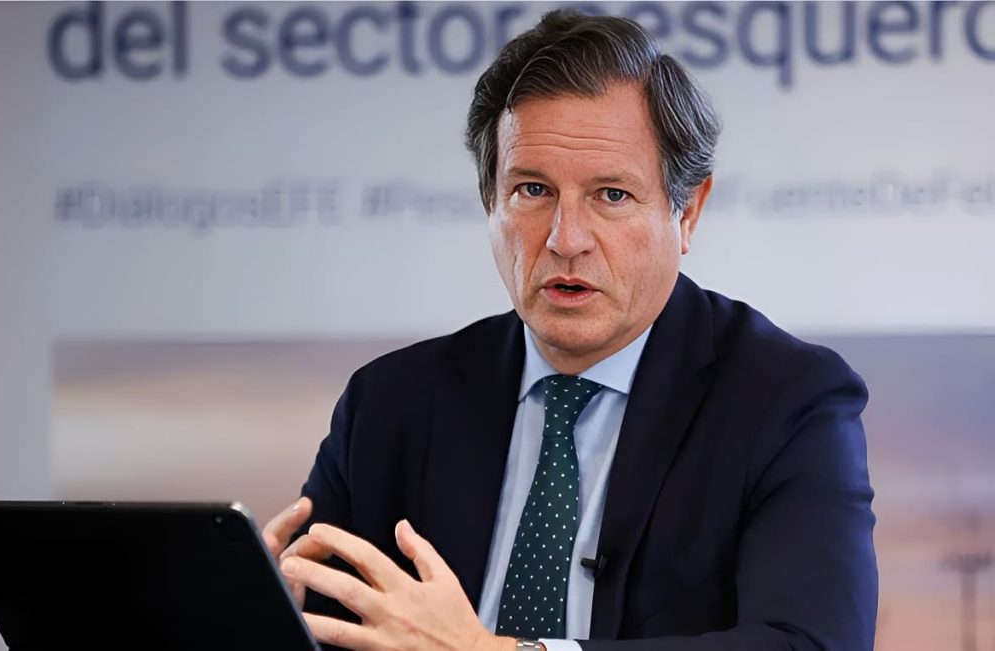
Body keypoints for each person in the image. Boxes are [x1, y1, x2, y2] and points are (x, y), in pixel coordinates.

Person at [261, 10, 878, 651]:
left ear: (687, 212)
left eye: (612, 195)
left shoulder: (787, 400)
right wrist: (256, 617)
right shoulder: (390, 403)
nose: (566, 239)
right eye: (533, 190)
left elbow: (813, 644)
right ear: (490, 203)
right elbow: (322, 625)